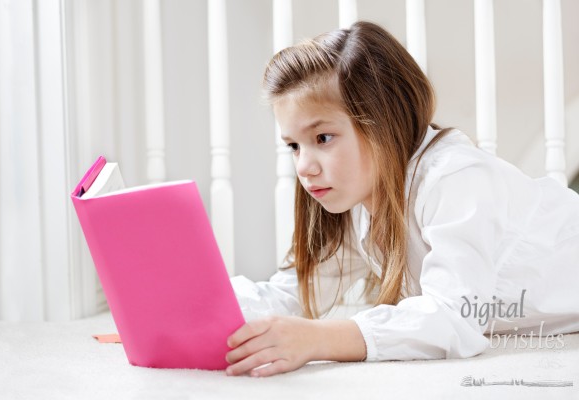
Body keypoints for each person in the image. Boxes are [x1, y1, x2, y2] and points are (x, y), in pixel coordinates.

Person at [225, 21, 579, 378]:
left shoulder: (455, 178)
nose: (304, 166)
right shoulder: (356, 202)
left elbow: (454, 317)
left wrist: (318, 338)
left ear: (382, 121)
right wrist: (203, 303)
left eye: (323, 138)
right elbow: (293, 293)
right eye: (294, 146)